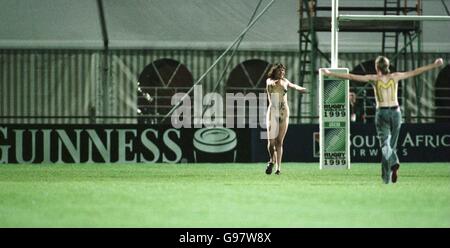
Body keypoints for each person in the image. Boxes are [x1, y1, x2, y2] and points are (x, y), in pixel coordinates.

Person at [322, 57, 444, 184]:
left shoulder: (374, 79)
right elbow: (415, 72)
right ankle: (389, 176)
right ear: (387, 66)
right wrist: (434, 65)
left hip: (382, 113)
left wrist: (331, 73)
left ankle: (390, 171)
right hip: (396, 112)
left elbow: (352, 77)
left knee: (385, 145)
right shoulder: (395, 76)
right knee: (392, 146)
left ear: (377, 67)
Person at [265, 63, 307, 175]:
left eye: (283, 71)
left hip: (284, 112)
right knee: (271, 142)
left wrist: (301, 89)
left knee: (279, 141)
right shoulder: (269, 80)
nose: (281, 73)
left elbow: (293, 86)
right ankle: (271, 160)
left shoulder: (285, 81)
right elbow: (272, 84)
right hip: (272, 112)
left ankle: (278, 168)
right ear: (275, 71)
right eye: (279, 71)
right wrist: (276, 81)